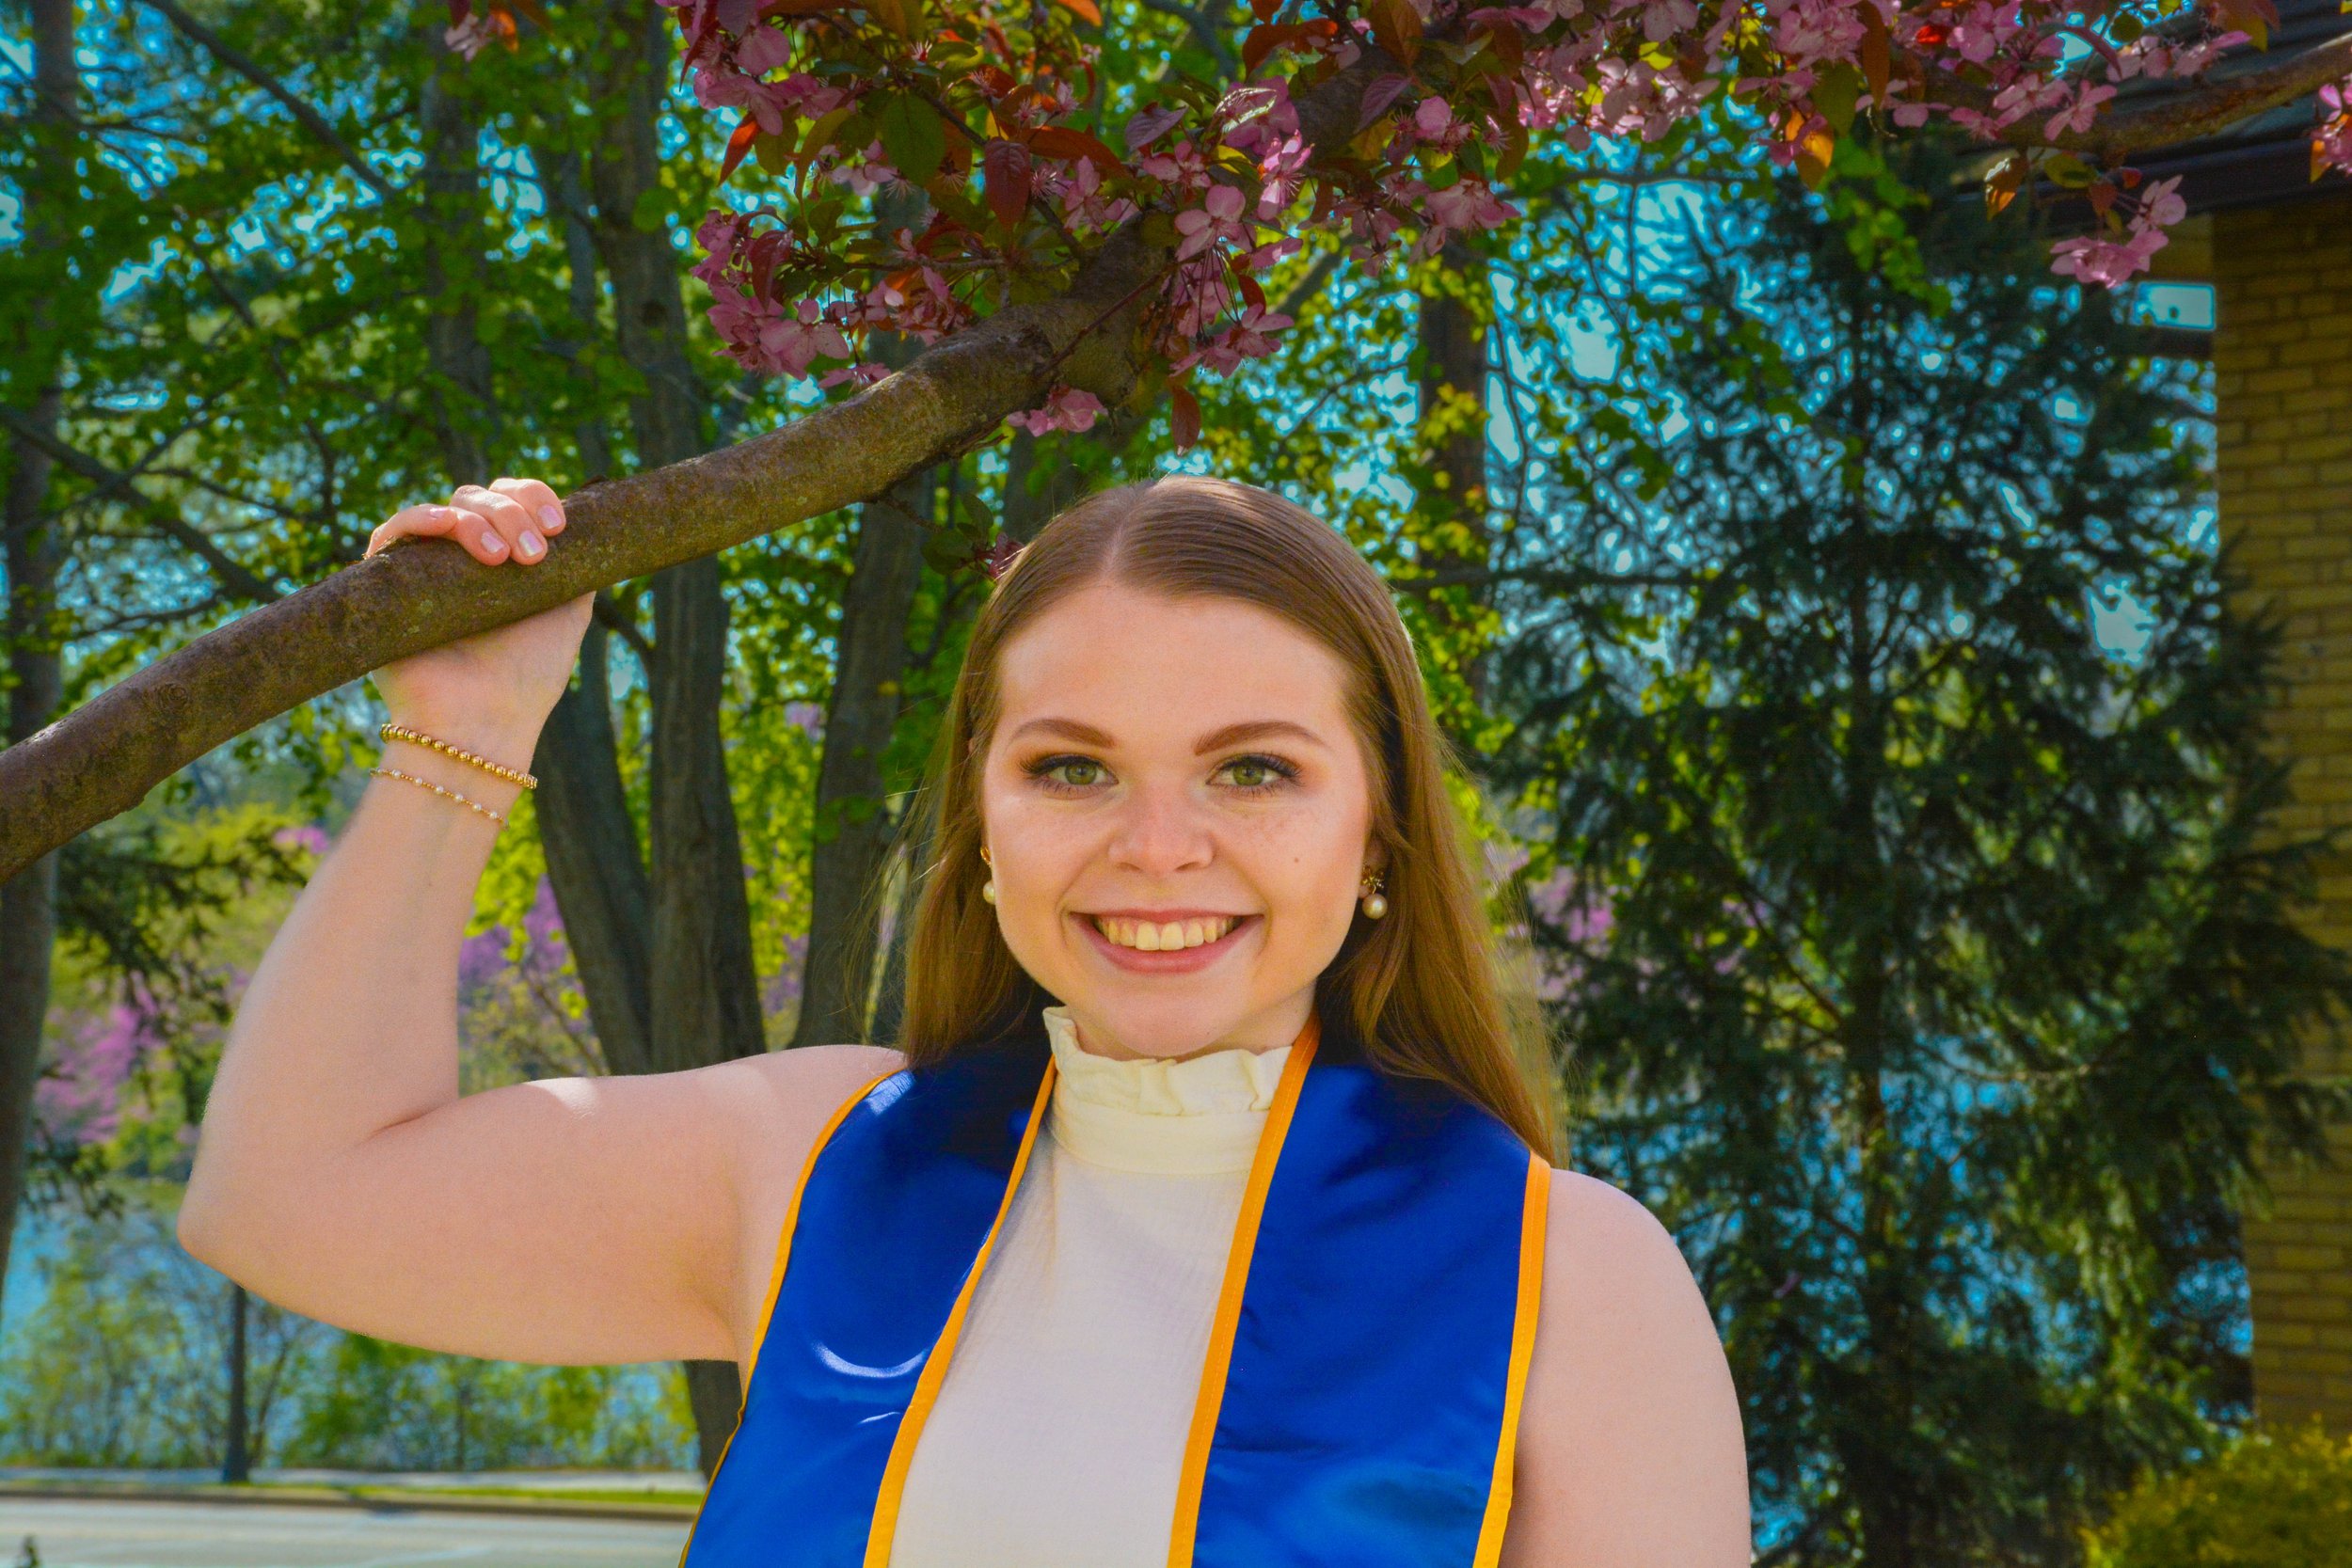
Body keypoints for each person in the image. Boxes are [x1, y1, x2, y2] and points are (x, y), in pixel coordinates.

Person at [179, 473, 1750, 1567]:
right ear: (985, 826)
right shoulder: (817, 1161)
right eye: (1071, 768)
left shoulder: (1568, 1279)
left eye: (1253, 769)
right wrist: (467, 728)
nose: (1157, 847)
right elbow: (288, 1199)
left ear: (1378, 831)